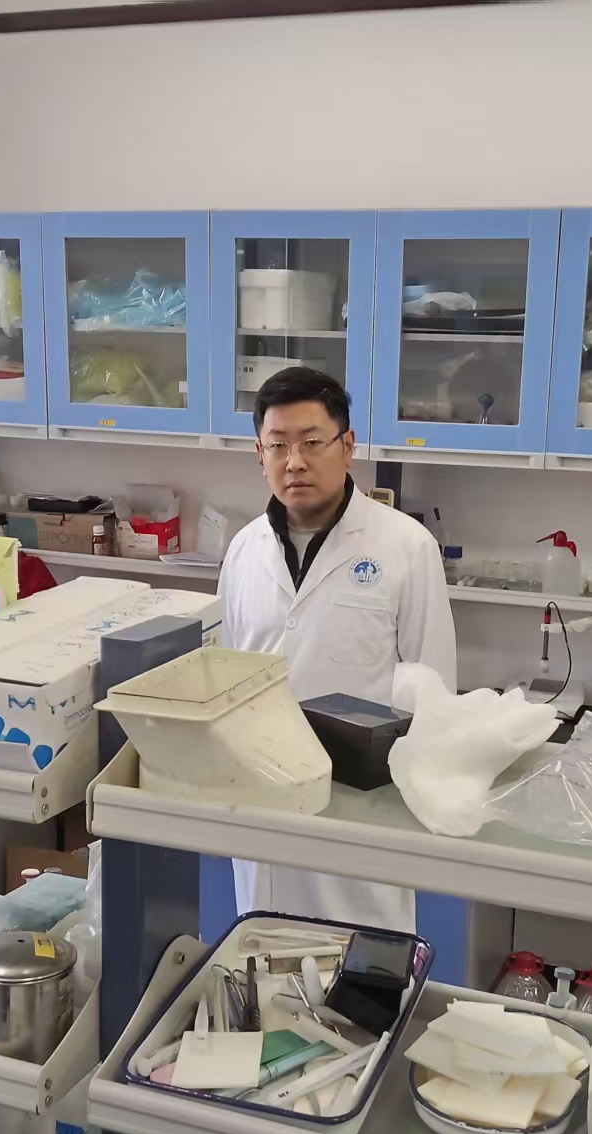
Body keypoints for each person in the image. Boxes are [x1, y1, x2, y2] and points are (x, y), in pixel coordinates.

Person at [220, 366, 456, 932]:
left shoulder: (405, 546)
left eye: (311, 442)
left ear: (347, 447)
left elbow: (434, 695)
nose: (294, 462)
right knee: (262, 956)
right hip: (264, 803)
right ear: (259, 453)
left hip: (364, 809)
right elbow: (228, 681)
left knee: (362, 964)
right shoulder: (243, 550)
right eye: (278, 445)